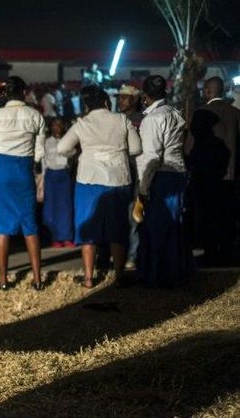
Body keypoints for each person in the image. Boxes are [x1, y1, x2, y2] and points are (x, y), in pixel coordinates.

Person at [57, 86, 141, 287]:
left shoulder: (82, 124)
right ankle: (119, 277)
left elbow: (62, 148)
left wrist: (77, 155)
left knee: (88, 232)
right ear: (106, 102)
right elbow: (137, 148)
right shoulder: (121, 120)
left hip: (89, 180)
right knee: (118, 231)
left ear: (86, 105)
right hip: (118, 180)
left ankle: (88, 278)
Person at [136, 75, 194, 286]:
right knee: (174, 226)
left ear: (145, 96)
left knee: (158, 228)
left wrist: (143, 188)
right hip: (178, 173)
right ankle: (177, 272)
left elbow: (151, 158)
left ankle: (158, 276)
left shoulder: (152, 119)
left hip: (162, 175)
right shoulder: (174, 112)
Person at [0, 76, 45, 291]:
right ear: (24, 92)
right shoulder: (35, 115)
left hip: (1, 169)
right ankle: (37, 279)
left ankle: (4, 280)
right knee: (30, 226)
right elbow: (39, 152)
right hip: (24, 170)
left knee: (2, 228)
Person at [185, 77, 240, 265]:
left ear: (208, 91)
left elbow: (189, 148)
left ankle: (210, 253)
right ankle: (226, 252)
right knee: (227, 215)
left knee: (206, 216)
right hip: (231, 176)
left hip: (204, 176)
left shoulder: (199, 114)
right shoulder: (235, 113)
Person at [115, 84, 144, 267]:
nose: (121, 100)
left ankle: (133, 255)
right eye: (119, 97)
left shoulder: (141, 119)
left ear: (135, 100)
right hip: (118, 171)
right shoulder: (116, 119)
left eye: (125, 97)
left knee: (133, 215)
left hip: (134, 171)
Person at [42, 118, 75, 247]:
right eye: (55, 125)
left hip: (64, 174)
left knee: (66, 207)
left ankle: (67, 236)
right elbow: (44, 161)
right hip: (51, 175)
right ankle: (55, 238)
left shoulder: (68, 141)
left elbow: (72, 154)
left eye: (60, 125)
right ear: (51, 127)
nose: (58, 127)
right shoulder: (47, 142)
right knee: (51, 207)